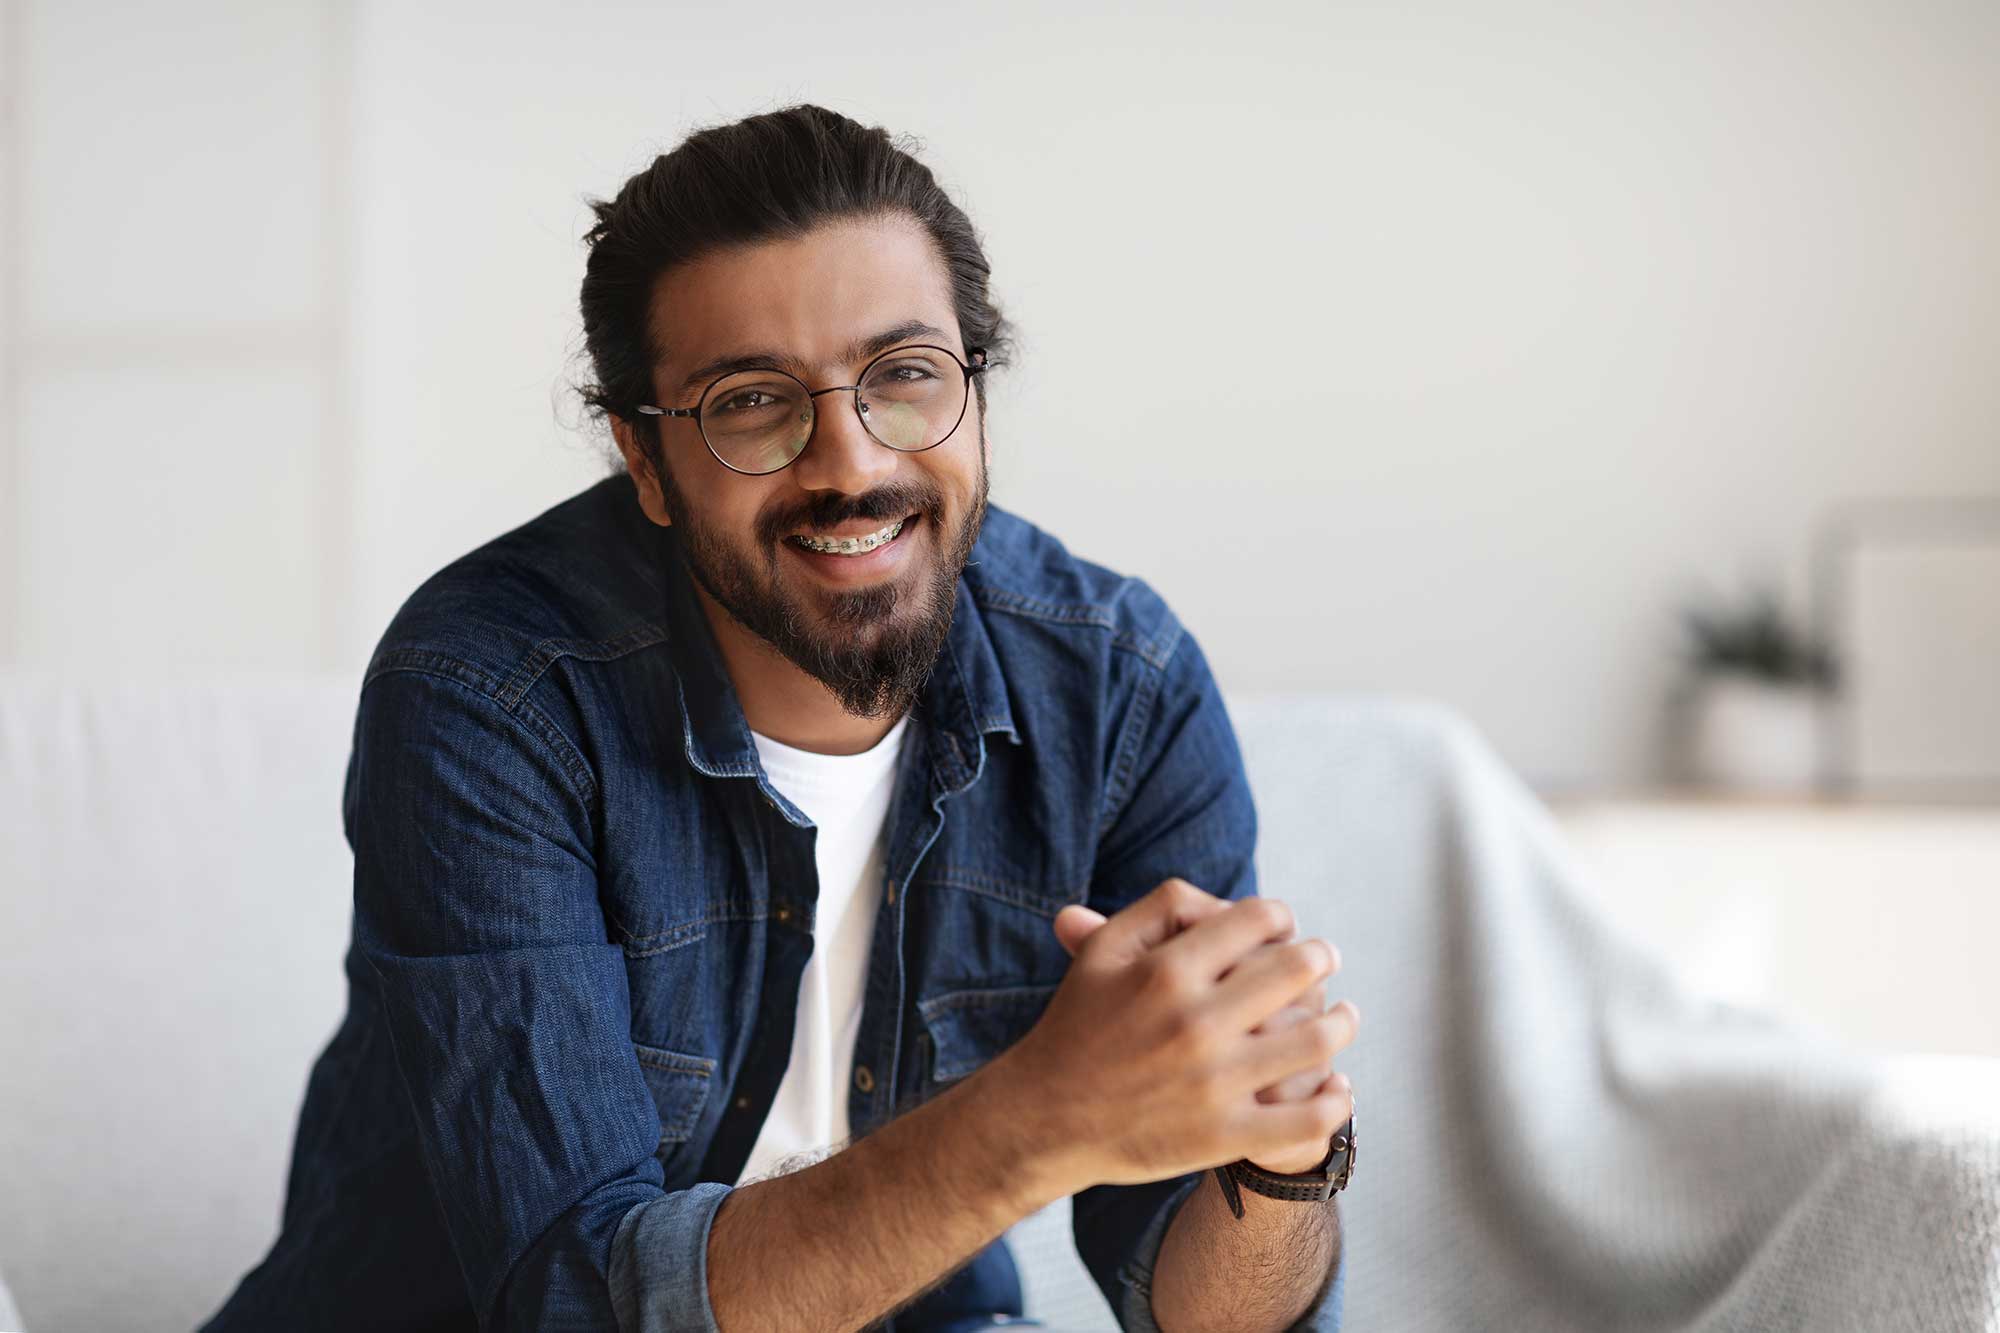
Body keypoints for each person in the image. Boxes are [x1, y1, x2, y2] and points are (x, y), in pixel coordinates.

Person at [203, 103, 1357, 1333]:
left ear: (974, 388)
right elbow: (567, 1304)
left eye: (905, 376)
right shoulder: (493, 693)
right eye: (753, 402)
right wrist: (1037, 1116)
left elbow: (1221, 1317)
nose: (849, 462)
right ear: (643, 461)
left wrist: (1275, 1148)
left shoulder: (1118, 691)